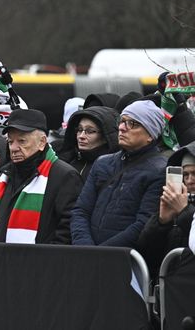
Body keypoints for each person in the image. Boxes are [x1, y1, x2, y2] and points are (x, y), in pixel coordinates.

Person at [71, 100, 167, 247]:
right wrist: (85, 248)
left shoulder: (159, 170)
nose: (122, 128)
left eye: (132, 124)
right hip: (87, 257)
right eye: (121, 121)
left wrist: (103, 254)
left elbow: (143, 224)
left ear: (150, 135)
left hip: (124, 261)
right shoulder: (102, 163)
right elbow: (81, 211)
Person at [0, 109, 83, 244]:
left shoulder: (65, 176)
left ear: (42, 142)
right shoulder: (3, 176)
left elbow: (67, 231)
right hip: (1, 261)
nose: (13, 148)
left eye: (22, 141)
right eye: (10, 141)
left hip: (41, 263)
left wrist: (43, 262)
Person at [137, 143, 195, 276]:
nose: (190, 180)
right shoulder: (174, 204)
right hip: (170, 288)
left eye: (194, 173)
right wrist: (161, 222)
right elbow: (146, 254)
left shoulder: (181, 207)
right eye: (185, 175)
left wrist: (184, 211)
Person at [59, 106, 120, 180]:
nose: (81, 136)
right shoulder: (65, 160)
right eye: (79, 129)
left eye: (90, 131)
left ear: (105, 137)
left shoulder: (113, 168)